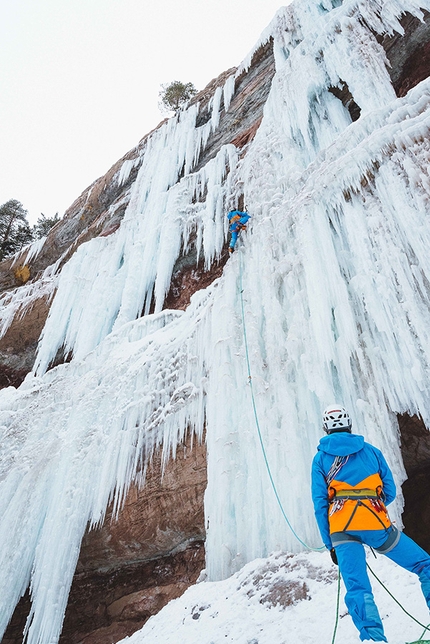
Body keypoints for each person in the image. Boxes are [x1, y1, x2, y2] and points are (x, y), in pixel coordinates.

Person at [311, 404, 430, 642]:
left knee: (357, 588)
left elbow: (320, 504)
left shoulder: (320, 459)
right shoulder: (371, 451)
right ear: (349, 424)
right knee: (424, 564)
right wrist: (373, 506)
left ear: (325, 429)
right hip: (376, 524)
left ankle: (374, 639)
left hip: (341, 530)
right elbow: (390, 490)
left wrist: (330, 544)